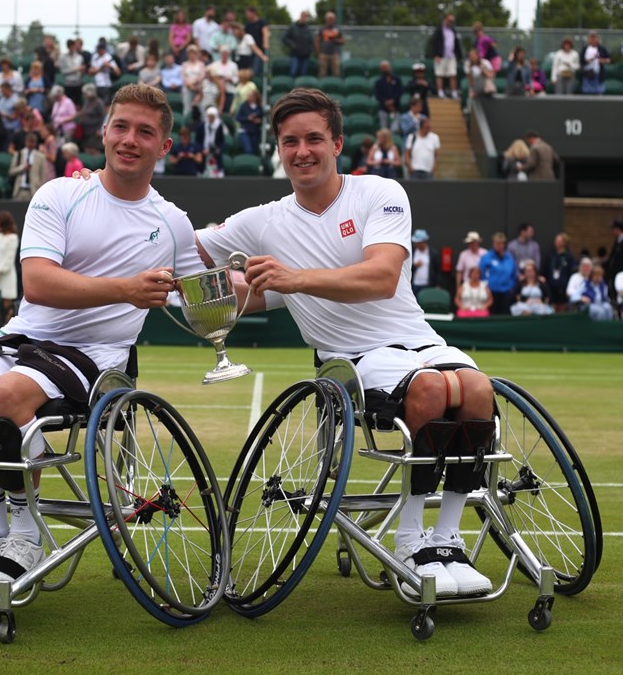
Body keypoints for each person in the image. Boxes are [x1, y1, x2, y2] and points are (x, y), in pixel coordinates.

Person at [195, 87, 495, 599]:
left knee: (476, 390)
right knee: (430, 392)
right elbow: (185, 248)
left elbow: (380, 277)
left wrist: (293, 280)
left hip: (419, 339)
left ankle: (446, 538)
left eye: (314, 138)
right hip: (351, 361)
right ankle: (410, 540)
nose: (302, 151)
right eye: (290, 141)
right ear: (279, 150)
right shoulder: (261, 220)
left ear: (336, 143)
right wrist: (101, 189)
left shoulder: (380, 191)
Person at [0, 84, 204, 593]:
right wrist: (126, 289)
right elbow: (38, 282)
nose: (130, 139)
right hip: (24, 337)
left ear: (164, 146)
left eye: (145, 131)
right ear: (103, 131)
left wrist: (287, 281)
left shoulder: (172, 222)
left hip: (97, 357)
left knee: (6, 394)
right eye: (121, 126)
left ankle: (24, 533)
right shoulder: (60, 192)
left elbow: (206, 296)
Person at [479, 232, 518, 315]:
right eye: (496, 243)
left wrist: (510, 287)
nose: (498, 245)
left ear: (504, 244)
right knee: (492, 314)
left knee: (505, 314)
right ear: (493, 243)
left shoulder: (509, 258)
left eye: (500, 243)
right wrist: (486, 287)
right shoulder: (486, 257)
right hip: (491, 292)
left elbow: (514, 274)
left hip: (506, 292)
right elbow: (481, 274)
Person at [430, 13, 462, 98]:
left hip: (451, 57)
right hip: (441, 57)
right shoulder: (439, 30)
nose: (450, 22)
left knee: (453, 74)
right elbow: (434, 43)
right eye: (449, 20)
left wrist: (459, 56)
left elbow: (456, 44)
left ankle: (454, 92)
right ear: (445, 20)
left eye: (452, 21)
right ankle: (440, 92)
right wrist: (436, 55)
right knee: (440, 74)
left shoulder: (453, 31)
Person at [544, 232, 577, 312]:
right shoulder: (550, 255)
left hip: (563, 287)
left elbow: (571, 272)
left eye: (559, 241)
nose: (556, 243)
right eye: (556, 240)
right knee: (552, 306)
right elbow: (545, 269)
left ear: (564, 243)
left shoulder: (569, 257)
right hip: (551, 286)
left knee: (562, 307)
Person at [10, 132, 48, 201]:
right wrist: (22, 168)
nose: (31, 145)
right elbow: (11, 171)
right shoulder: (19, 154)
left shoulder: (41, 157)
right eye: (29, 142)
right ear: (25, 142)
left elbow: (43, 176)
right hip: (19, 191)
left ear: (36, 143)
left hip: (33, 191)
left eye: (33, 142)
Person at [404, 116, 439, 180]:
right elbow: (407, 153)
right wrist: (410, 167)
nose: (428, 129)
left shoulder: (435, 137)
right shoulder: (412, 137)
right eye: (426, 127)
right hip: (414, 170)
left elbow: (436, 155)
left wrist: (434, 168)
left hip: (428, 171)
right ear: (421, 127)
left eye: (429, 127)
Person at [76, 83, 108, 154]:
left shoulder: (99, 103)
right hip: (85, 130)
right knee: (86, 148)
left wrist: (99, 129)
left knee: (94, 149)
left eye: (85, 94)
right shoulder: (87, 101)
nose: (84, 95)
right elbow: (84, 112)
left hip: (94, 131)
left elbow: (104, 117)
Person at [195, 106, 226, 178]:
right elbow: (197, 140)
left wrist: (218, 149)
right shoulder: (202, 125)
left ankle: (219, 172)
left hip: (215, 153)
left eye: (212, 116)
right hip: (203, 152)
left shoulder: (219, 126)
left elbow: (221, 141)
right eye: (209, 116)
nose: (211, 118)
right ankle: (201, 172)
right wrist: (202, 149)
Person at [282, 11, 315, 78]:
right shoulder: (293, 27)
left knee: (303, 74)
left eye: (306, 17)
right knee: (293, 72)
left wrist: (310, 50)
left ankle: (302, 88)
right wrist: (292, 44)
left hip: (305, 55)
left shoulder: (307, 29)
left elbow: (311, 41)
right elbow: (284, 38)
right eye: (303, 16)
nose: (304, 18)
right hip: (295, 54)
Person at [374, 61, 403, 133]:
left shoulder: (397, 79)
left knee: (395, 129)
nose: (385, 69)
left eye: (386, 67)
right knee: (384, 130)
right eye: (383, 68)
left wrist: (393, 101)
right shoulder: (379, 82)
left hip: (395, 108)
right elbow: (378, 95)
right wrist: (385, 102)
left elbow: (400, 91)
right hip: (384, 109)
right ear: (380, 69)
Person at [235, 88, 263, 156]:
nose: (248, 97)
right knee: (248, 150)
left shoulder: (259, 107)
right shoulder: (243, 106)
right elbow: (238, 118)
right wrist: (248, 118)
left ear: (255, 97)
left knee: (254, 150)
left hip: (255, 132)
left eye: (250, 96)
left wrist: (259, 121)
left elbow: (262, 120)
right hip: (245, 130)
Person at [409, 229, 438, 295]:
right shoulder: (412, 252)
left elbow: (437, 270)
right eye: (415, 242)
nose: (416, 244)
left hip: (428, 285)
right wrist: (414, 266)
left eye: (418, 242)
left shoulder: (433, 253)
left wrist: (437, 284)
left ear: (424, 242)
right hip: (414, 285)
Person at [316, 11, 344, 77]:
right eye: (329, 19)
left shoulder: (337, 29)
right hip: (323, 54)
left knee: (336, 73)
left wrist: (336, 41)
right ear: (326, 19)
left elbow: (342, 40)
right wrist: (318, 52)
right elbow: (317, 41)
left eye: (332, 19)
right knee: (322, 73)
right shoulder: (322, 29)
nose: (331, 20)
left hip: (334, 54)